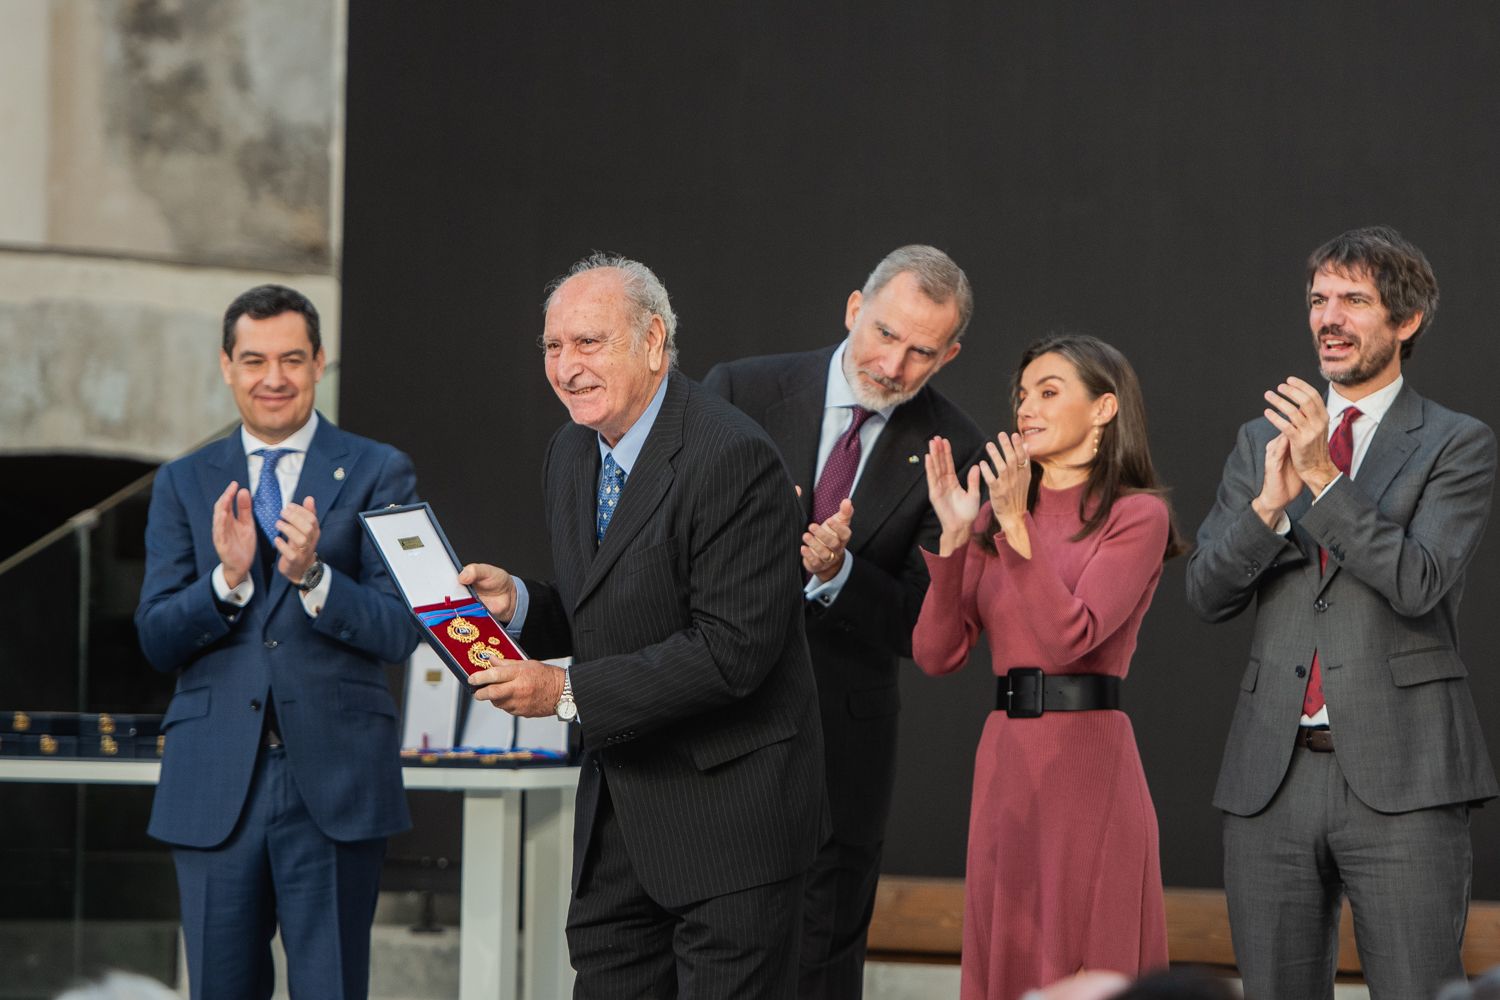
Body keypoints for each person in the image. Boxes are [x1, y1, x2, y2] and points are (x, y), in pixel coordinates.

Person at [457, 254, 826, 999]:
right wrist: (523, 607)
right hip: (621, 827)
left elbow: (730, 654)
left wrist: (562, 690)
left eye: (588, 343)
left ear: (654, 342)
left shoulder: (734, 456)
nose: (566, 367)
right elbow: (616, 608)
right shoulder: (572, 450)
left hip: (730, 835)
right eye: (553, 347)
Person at [1185, 225, 1497, 1000]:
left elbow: (1420, 580)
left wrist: (1323, 478)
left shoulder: (1457, 443)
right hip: (1271, 778)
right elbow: (1205, 594)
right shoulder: (1261, 440)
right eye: (1320, 300)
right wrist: (1266, 507)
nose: (1329, 317)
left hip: (1407, 777)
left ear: (1407, 319)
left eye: (1354, 301)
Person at [702, 243, 985, 998]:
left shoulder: (956, 449)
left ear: (949, 354)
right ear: (854, 310)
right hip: (716, 730)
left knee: (819, 965)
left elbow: (922, 620)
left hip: (840, 748)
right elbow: (678, 546)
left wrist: (840, 574)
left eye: (922, 352)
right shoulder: (741, 390)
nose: (894, 366)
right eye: (885, 334)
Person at [135, 285, 420, 1000]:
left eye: (292, 358)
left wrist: (315, 575)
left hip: (335, 782)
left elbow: (399, 628)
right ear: (227, 366)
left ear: (320, 362)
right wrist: (226, 582)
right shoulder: (181, 483)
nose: (273, 378)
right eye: (254, 359)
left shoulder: (379, 469)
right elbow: (157, 638)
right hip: (212, 785)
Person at [914, 334, 1184, 999]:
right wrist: (954, 540)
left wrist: (1012, 530)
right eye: (1023, 393)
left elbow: (1071, 639)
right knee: (1004, 956)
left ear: (1103, 409)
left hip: (1089, 768)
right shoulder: (996, 521)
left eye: (1049, 391)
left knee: (1084, 962)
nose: (1026, 408)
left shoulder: (1136, 515)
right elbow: (936, 653)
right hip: (1006, 765)